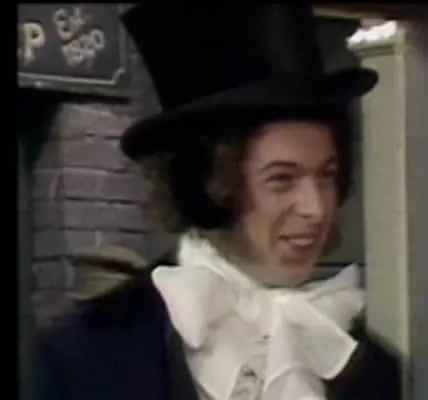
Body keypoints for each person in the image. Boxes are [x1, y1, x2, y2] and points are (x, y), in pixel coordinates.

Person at [37, 4, 401, 400]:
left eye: (326, 175)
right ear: (208, 185)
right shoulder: (90, 354)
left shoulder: (367, 368)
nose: (316, 209)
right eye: (282, 179)